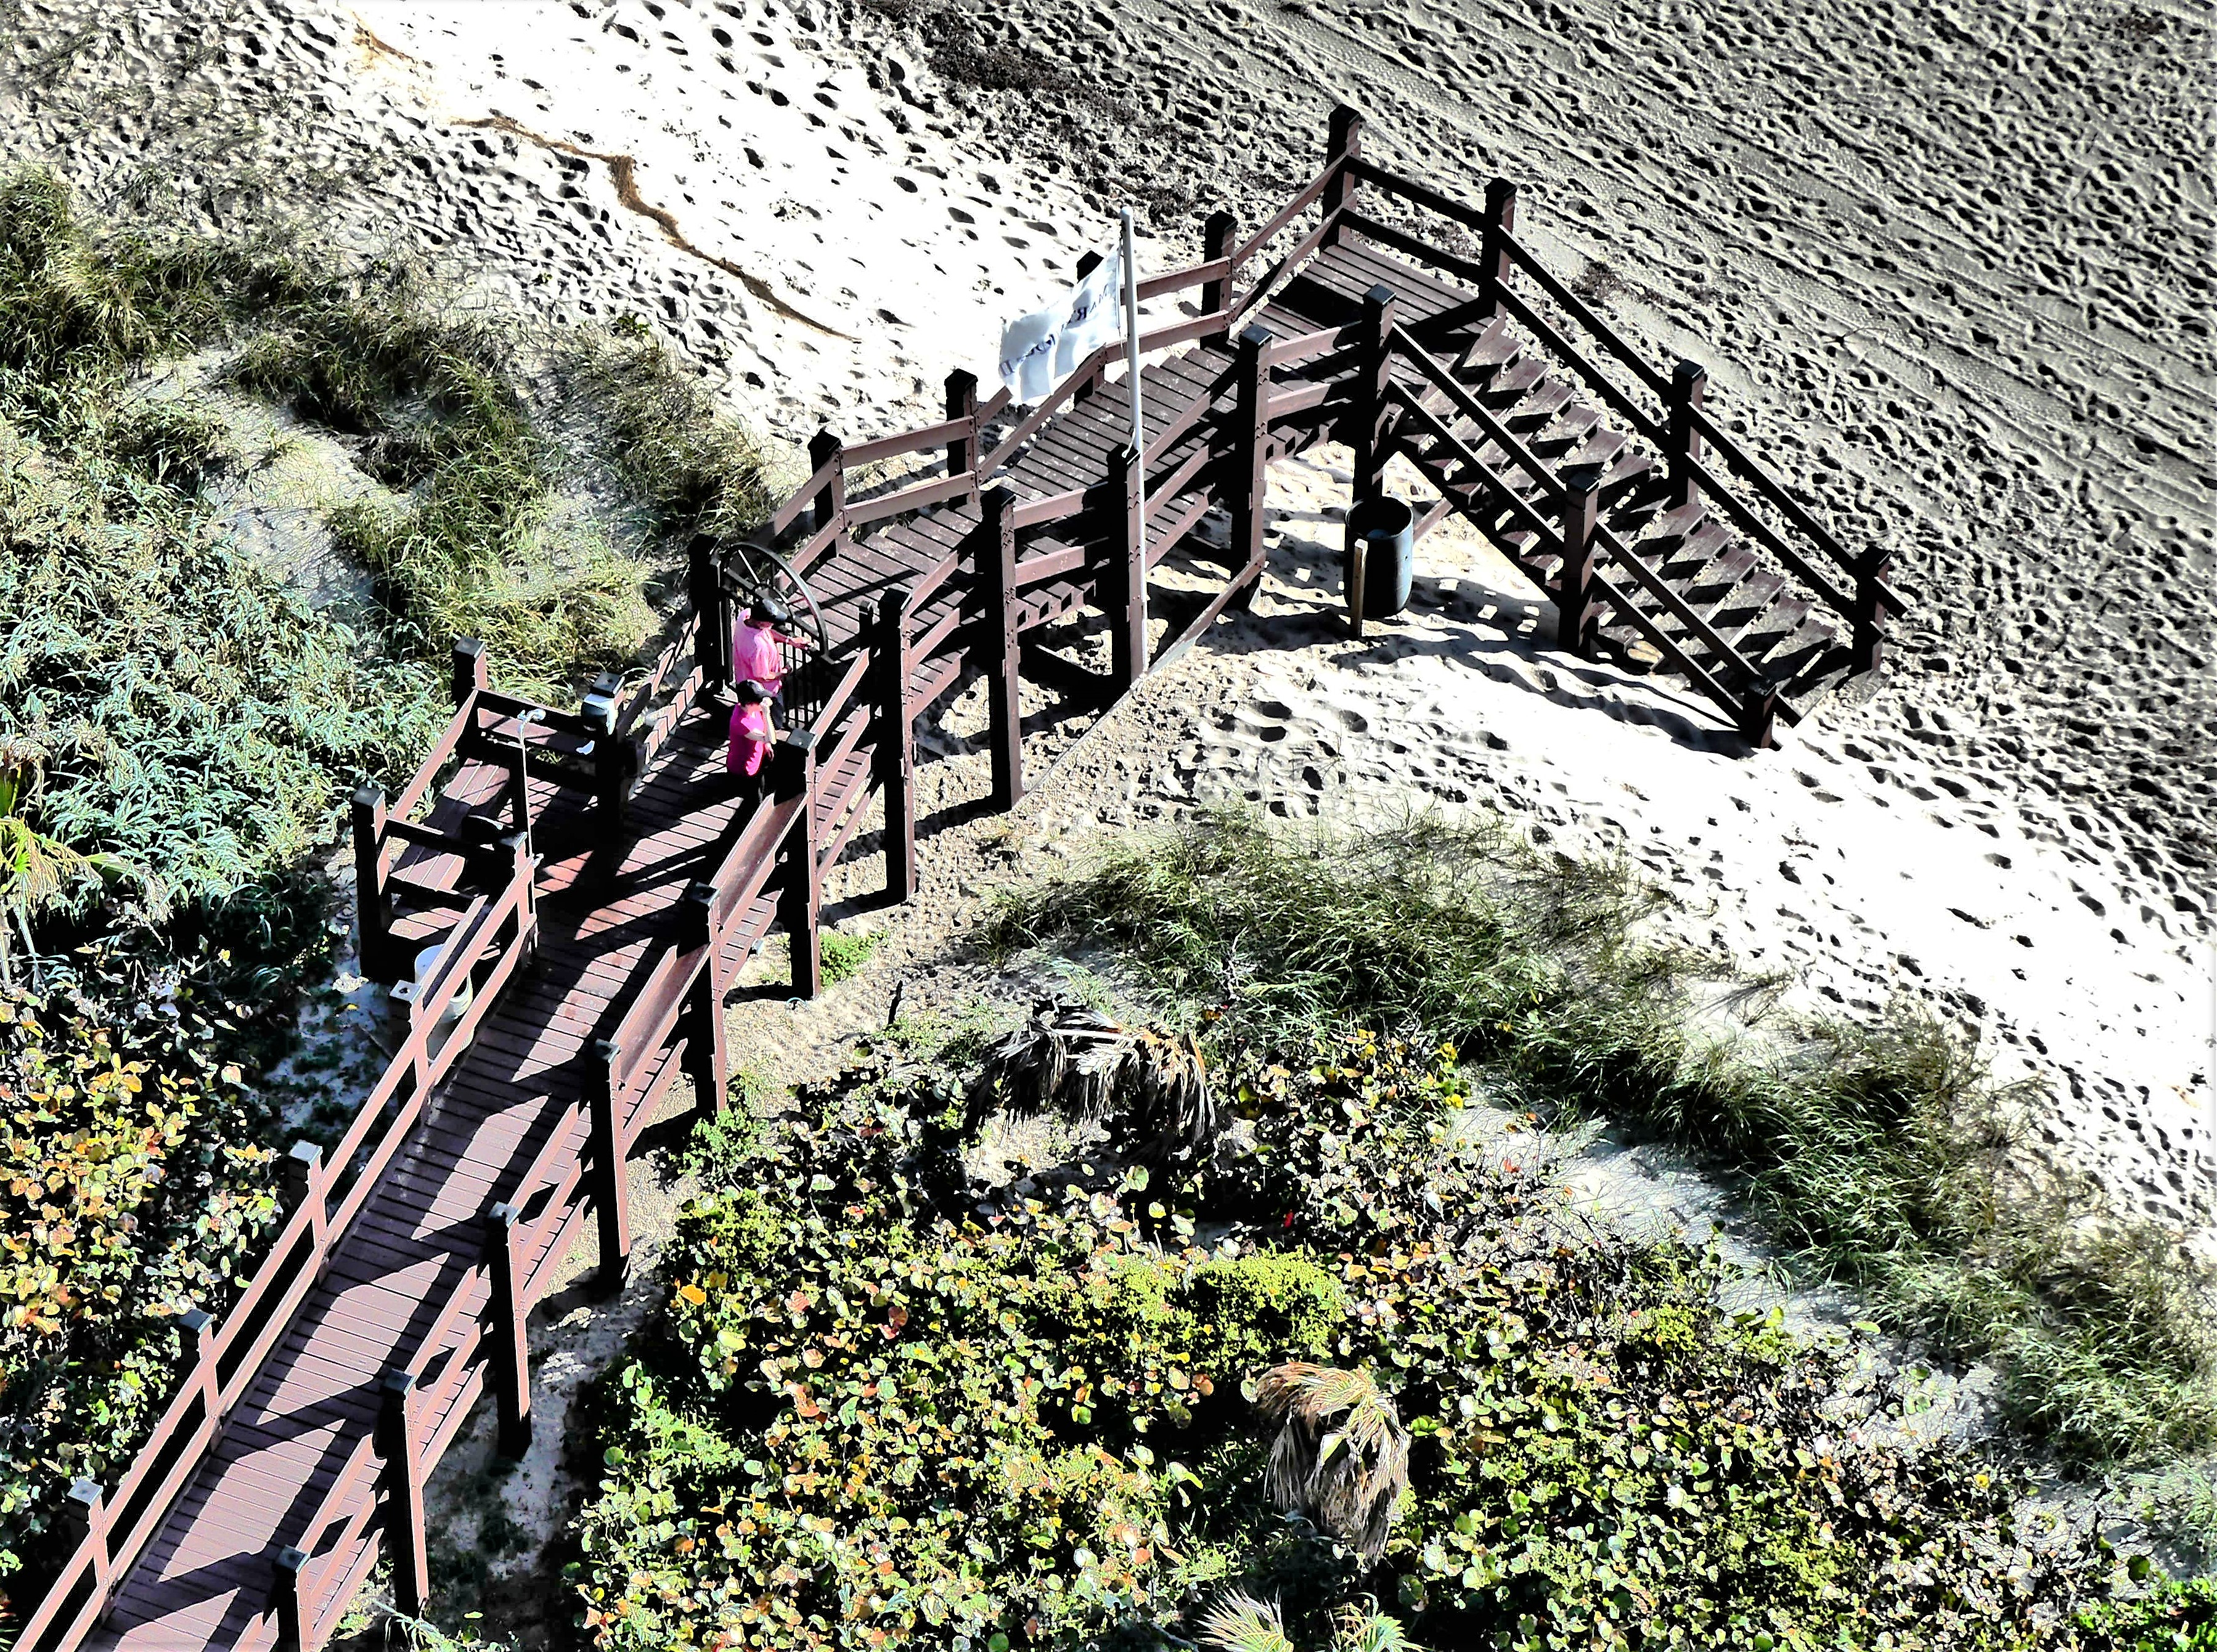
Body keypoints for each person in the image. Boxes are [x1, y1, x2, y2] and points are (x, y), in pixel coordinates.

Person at [733, 592, 806, 705]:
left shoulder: (745, 616)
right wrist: (785, 672)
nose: (773, 624)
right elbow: (764, 676)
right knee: (773, 721)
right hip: (764, 694)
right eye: (771, 622)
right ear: (761, 623)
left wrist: (789, 640)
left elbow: (767, 631)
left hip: (744, 684)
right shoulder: (758, 647)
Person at [726, 678, 776, 802]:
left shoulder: (751, 710)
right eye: (759, 700)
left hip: (759, 758)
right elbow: (770, 738)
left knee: (764, 786)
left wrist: (767, 747)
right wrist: (766, 713)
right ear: (749, 704)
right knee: (755, 799)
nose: (763, 702)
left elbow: (766, 737)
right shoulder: (741, 723)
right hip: (746, 769)